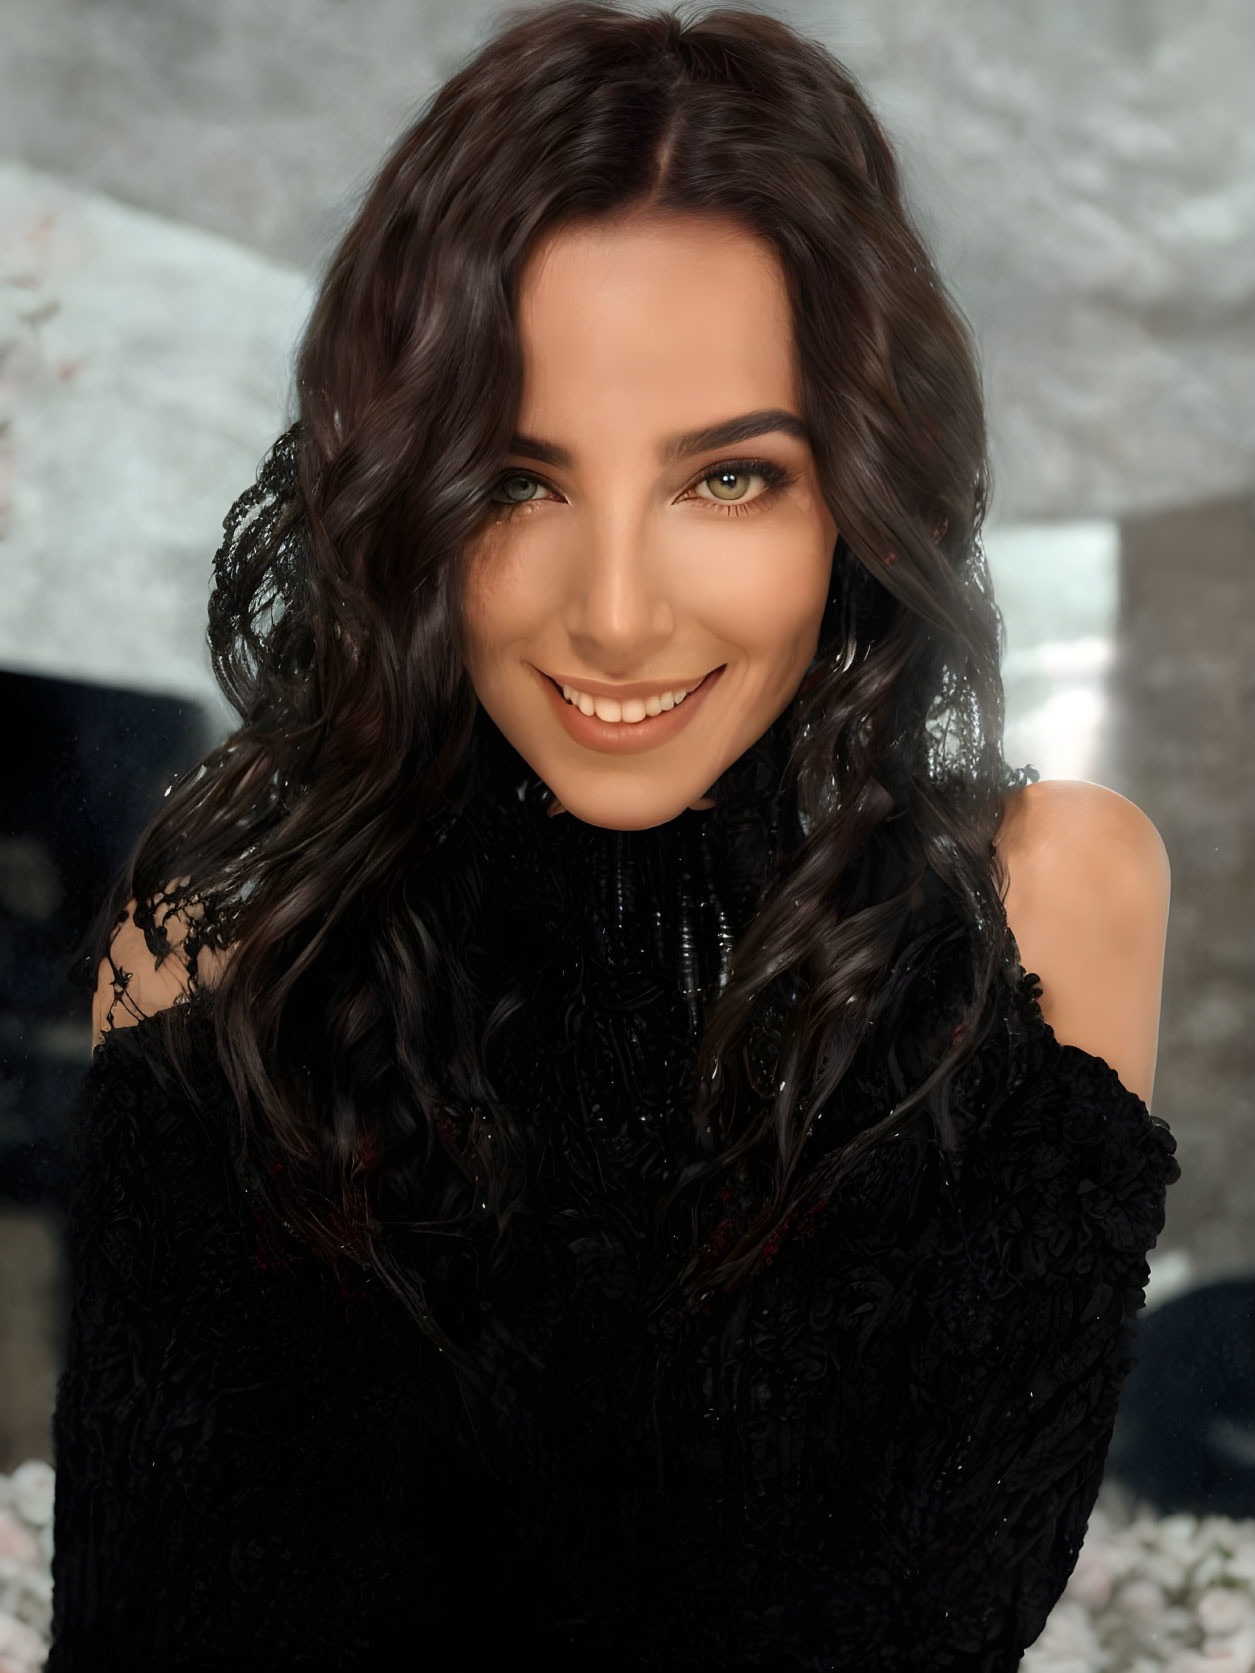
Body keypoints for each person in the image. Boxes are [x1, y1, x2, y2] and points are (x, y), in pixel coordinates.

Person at [47, 3, 1180, 1668]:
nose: (621, 615)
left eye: (729, 480)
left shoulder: (1046, 910)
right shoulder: (227, 946)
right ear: (405, 503)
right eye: (519, 481)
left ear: (860, 493)